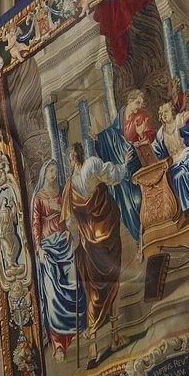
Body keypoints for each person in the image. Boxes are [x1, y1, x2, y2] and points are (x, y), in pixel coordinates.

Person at [65, 142, 130, 331]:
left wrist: (75, 239)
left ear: (72, 159)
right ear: (81, 154)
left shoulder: (70, 185)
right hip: (106, 232)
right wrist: (125, 164)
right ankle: (115, 333)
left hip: (89, 244)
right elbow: (113, 175)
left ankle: (94, 338)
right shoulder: (92, 164)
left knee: (95, 287)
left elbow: (70, 221)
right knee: (113, 280)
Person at [31, 159, 85, 354]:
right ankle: (59, 344)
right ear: (44, 173)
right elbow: (36, 225)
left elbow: (69, 217)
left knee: (74, 286)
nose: (53, 175)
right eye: (50, 171)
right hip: (48, 248)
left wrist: (74, 234)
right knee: (53, 294)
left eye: (55, 171)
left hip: (64, 242)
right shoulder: (38, 198)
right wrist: (39, 248)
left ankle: (79, 328)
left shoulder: (60, 195)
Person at [92, 88, 153, 241]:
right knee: (122, 198)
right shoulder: (121, 114)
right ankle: (137, 232)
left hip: (135, 159)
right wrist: (98, 138)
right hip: (121, 162)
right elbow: (112, 133)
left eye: (141, 103)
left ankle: (146, 226)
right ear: (130, 101)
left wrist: (141, 134)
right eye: (137, 103)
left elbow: (150, 135)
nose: (139, 106)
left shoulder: (142, 115)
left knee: (137, 197)